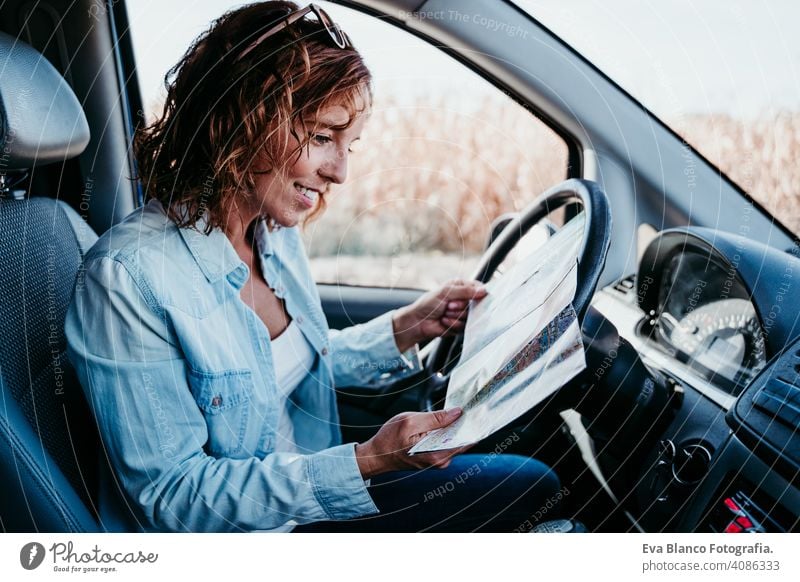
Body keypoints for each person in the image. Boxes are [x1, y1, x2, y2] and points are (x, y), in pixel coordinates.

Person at [65, 1, 561, 532]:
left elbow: (285, 366)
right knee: (533, 487)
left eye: (350, 145)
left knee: (532, 475)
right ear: (240, 122)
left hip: (307, 491)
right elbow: (173, 498)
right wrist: (368, 460)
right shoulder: (127, 279)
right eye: (322, 137)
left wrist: (407, 327)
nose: (341, 172)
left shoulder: (272, 234)